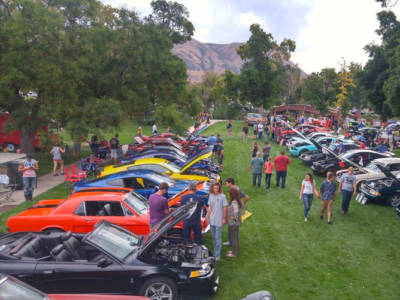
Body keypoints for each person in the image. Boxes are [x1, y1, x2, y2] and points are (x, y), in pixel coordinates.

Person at [206, 182, 228, 260]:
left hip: (219, 220)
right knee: (214, 238)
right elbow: (210, 207)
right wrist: (207, 217)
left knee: (218, 238)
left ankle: (217, 255)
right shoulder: (211, 196)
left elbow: (225, 208)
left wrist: (224, 218)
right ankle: (215, 252)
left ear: (219, 188)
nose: (215, 190)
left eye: (217, 188)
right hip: (212, 220)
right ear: (212, 188)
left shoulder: (223, 196)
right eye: (214, 188)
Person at [224, 178, 249, 246]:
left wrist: (241, 205)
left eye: (226, 183)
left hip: (235, 211)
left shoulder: (237, 189)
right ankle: (230, 241)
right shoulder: (232, 189)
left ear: (230, 183)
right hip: (232, 209)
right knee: (230, 227)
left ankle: (234, 243)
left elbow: (247, 197)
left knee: (234, 227)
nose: (226, 184)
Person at [226, 188, 244, 258]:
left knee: (234, 238)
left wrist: (232, 217)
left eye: (229, 194)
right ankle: (235, 250)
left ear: (232, 195)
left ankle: (234, 253)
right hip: (236, 223)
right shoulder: (237, 201)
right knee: (235, 237)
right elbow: (242, 211)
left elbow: (236, 212)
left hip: (234, 223)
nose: (228, 195)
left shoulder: (234, 202)